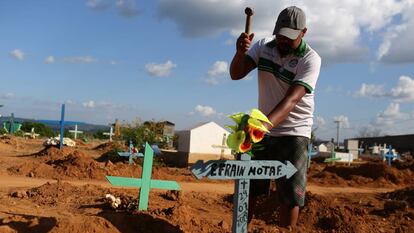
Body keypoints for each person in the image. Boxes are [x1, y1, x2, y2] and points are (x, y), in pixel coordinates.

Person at [230, 6, 321, 227]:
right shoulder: (263, 47)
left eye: (289, 37)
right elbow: (236, 74)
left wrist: (260, 127)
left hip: (294, 132)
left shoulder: (310, 59)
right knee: (248, 186)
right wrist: (240, 52)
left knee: (291, 195)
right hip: (263, 127)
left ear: (303, 32)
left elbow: (291, 100)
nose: (282, 41)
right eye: (280, 35)